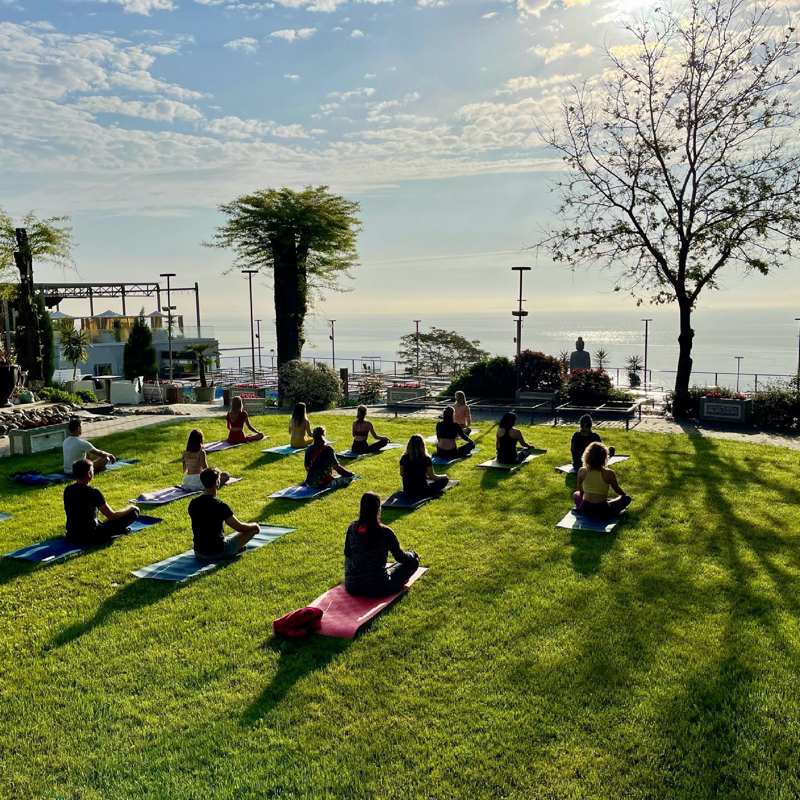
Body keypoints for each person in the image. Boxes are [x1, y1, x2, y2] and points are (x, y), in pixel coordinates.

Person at [344, 492, 420, 597]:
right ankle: (396, 582)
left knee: (351, 560)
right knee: (414, 561)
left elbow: (348, 555)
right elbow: (400, 557)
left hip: (352, 586)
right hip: (377, 586)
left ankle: (355, 576)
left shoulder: (352, 528)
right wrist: (412, 554)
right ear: (378, 509)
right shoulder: (385, 532)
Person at [188, 467, 261, 559]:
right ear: (217, 483)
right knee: (252, 530)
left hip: (198, 552)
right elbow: (240, 527)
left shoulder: (193, 503)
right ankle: (232, 551)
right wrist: (255, 525)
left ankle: (233, 549)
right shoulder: (221, 506)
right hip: (218, 551)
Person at [63, 458, 139, 545]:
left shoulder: (68, 490)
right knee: (134, 512)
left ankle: (117, 529)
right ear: (89, 474)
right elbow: (112, 515)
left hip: (72, 535)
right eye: (92, 471)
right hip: (92, 536)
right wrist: (130, 507)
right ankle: (117, 530)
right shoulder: (93, 492)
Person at [573, 442, 631, 519]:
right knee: (627, 499)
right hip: (603, 510)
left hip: (585, 509)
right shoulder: (609, 473)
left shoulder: (582, 471)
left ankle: (588, 507)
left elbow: (581, 490)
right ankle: (608, 503)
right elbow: (617, 489)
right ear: (604, 458)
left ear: (586, 457)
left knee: (575, 494)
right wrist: (624, 495)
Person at [399, 434, 449, 499]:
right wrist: (443, 476)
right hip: (423, 491)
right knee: (444, 480)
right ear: (422, 445)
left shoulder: (404, 458)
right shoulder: (426, 459)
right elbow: (432, 476)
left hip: (407, 490)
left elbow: (402, 474)